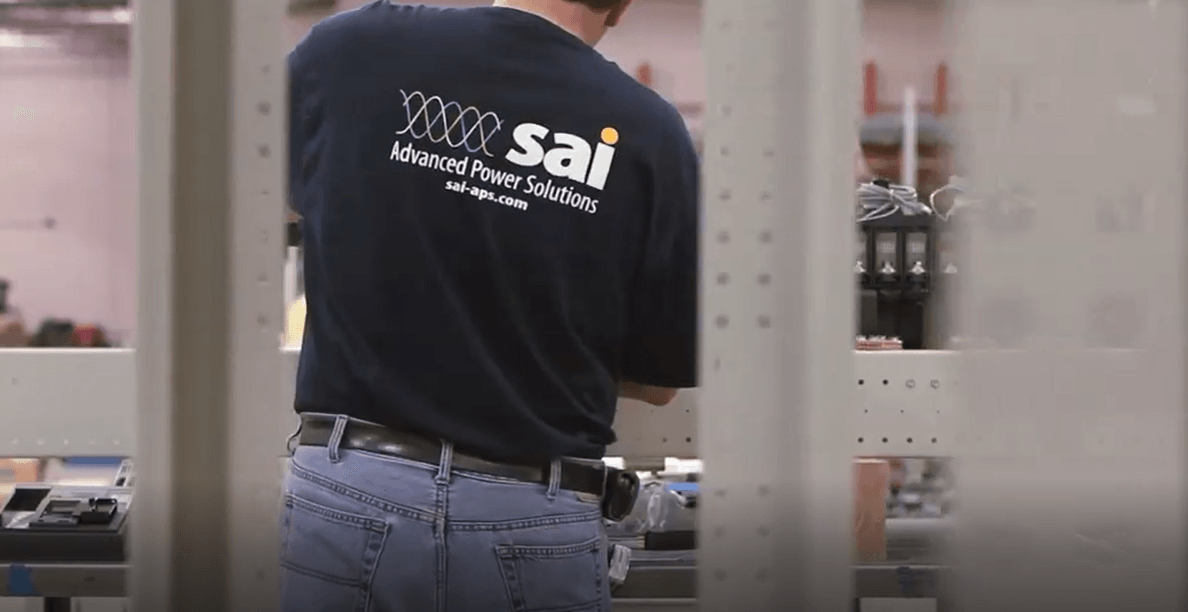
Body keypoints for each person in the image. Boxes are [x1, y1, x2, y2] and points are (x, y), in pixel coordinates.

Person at [282, 0, 699, 610]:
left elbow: (250, 194)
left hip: (351, 493)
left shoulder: (352, 49)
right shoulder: (650, 131)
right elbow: (660, 381)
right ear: (622, 7)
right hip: (533, 511)